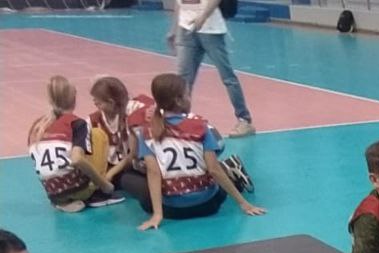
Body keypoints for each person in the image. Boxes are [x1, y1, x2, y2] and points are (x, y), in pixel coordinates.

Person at [135, 74, 262, 231]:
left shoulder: (146, 132)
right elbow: (213, 170)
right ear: (179, 100)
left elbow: (153, 174)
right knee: (214, 166)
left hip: (172, 211)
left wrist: (157, 215)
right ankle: (229, 168)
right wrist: (244, 204)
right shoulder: (200, 125)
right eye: (188, 94)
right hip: (208, 205)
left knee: (137, 182)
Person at [27, 77, 122, 214]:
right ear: (74, 98)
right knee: (97, 135)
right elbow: (77, 159)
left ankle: (64, 202)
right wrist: (105, 184)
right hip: (77, 188)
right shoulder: (77, 123)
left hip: (52, 193)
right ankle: (96, 193)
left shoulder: (38, 126)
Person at [170, 0, 254, 139]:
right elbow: (179, 4)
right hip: (185, 28)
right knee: (183, 79)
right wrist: (174, 29)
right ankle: (180, 119)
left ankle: (244, 119)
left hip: (210, 29)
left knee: (227, 76)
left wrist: (203, 16)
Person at [87, 76, 155, 190]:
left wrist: (111, 173)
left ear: (111, 102)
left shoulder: (135, 110)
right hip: (125, 166)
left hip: (146, 165)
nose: (96, 106)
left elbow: (132, 155)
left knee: (143, 188)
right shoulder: (94, 120)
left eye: (98, 103)